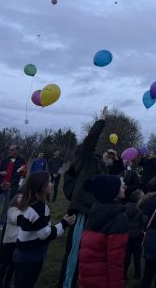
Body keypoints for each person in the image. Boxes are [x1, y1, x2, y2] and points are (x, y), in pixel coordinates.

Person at [58, 106, 108, 288]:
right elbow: (90, 141)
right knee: (75, 251)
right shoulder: (84, 160)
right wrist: (101, 121)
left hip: (94, 211)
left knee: (87, 253)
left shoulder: (97, 164)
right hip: (82, 212)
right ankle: (66, 284)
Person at [14, 171, 76, 288]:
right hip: (32, 257)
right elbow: (44, 234)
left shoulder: (26, 201)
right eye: (49, 182)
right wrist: (63, 223)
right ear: (42, 186)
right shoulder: (40, 207)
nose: (51, 184)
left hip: (19, 253)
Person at [78, 175, 129, 288]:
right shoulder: (119, 218)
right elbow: (115, 261)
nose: (124, 188)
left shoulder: (94, 212)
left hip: (87, 278)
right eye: (120, 186)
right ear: (111, 192)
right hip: (104, 281)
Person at [0, 145, 26, 232]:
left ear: (17, 151)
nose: (9, 151)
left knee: (7, 207)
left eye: (12, 150)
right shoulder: (4, 160)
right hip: (0, 187)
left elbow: (23, 175)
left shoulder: (22, 161)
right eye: (9, 149)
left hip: (12, 188)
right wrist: (1, 173)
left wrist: (19, 185)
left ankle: (2, 224)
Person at [0, 192, 22, 288]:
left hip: (18, 242)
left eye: (23, 198)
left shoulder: (25, 211)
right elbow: (15, 220)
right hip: (10, 241)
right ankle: (0, 280)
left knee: (13, 263)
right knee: (5, 262)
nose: (22, 199)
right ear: (15, 199)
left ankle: (8, 281)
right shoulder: (12, 210)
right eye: (20, 197)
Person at [124, 189, 146, 281]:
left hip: (126, 236)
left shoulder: (124, 207)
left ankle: (123, 274)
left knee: (126, 256)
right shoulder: (141, 209)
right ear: (139, 199)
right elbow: (145, 221)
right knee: (137, 257)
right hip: (137, 236)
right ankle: (137, 275)